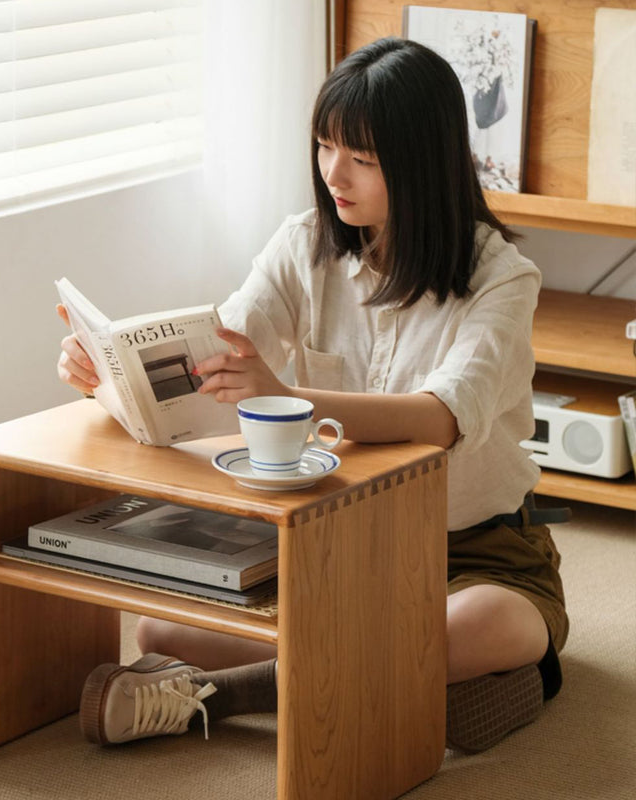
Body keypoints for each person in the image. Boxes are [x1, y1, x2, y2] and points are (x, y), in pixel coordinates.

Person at [57, 37, 568, 754]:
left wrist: (284, 395)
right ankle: (431, 687)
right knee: (159, 628)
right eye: (325, 146)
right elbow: (217, 352)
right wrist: (107, 371)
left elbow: (439, 419)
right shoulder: (304, 245)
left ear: (422, 163)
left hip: (480, 555)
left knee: (484, 626)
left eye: (361, 158)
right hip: (335, 550)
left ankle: (228, 695)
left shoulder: (502, 279)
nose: (333, 172)